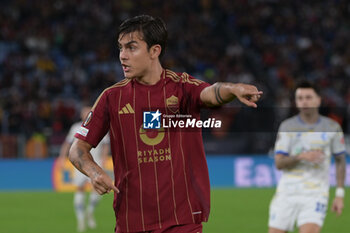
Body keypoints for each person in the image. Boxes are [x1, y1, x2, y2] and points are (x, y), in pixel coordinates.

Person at [69, 15, 262, 233]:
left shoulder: (182, 88)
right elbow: (77, 149)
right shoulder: (111, 98)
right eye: (120, 48)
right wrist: (95, 173)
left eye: (131, 48)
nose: (122, 56)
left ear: (155, 51)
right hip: (132, 221)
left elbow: (211, 93)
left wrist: (232, 89)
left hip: (182, 221)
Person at [268, 81, 347, 233]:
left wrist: (339, 195)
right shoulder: (287, 127)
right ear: (296, 102)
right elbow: (279, 163)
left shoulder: (332, 127)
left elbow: (340, 161)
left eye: (308, 97)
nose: (304, 101)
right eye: (300, 98)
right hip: (287, 193)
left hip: (315, 194)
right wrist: (300, 157)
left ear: (318, 100)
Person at [58, 105, 110, 232]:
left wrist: (104, 157)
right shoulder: (76, 127)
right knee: (80, 189)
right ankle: (81, 221)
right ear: (81, 115)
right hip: (81, 162)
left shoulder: (100, 125)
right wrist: (61, 157)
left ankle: (90, 213)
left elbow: (105, 144)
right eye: (85, 113)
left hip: (96, 162)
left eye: (89, 112)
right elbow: (68, 143)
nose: (87, 115)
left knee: (97, 189)